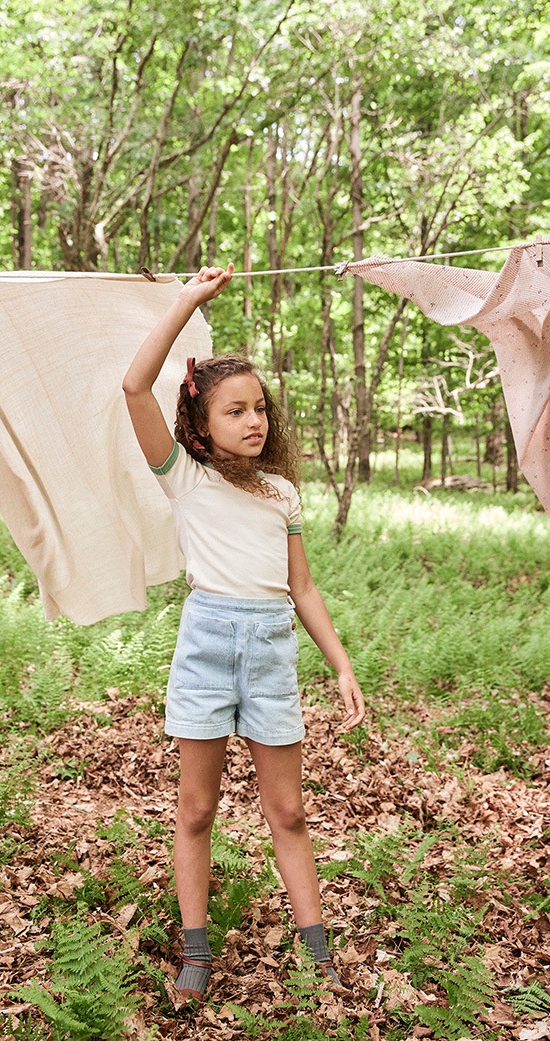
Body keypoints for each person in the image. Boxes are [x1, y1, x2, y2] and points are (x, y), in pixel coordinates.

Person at [122, 262, 365, 1002]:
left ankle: (316, 953)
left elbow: (302, 587)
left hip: (270, 654)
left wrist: (342, 664)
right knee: (196, 809)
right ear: (199, 423)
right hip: (206, 649)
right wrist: (189, 300)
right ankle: (196, 951)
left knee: (287, 809)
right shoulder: (183, 476)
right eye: (234, 411)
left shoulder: (281, 493)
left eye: (259, 408)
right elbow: (135, 388)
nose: (254, 420)